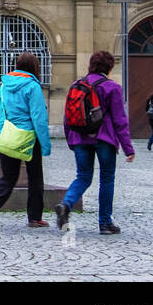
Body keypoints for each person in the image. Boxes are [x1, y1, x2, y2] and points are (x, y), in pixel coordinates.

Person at [56, 50, 135, 234]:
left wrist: (71, 140)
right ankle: (105, 223)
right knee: (107, 179)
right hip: (104, 139)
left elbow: (67, 116)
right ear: (109, 67)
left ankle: (66, 204)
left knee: (83, 176)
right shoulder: (112, 87)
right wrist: (128, 148)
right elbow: (120, 121)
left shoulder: (76, 85)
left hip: (80, 137)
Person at [0, 51, 52, 229]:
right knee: (35, 177)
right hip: (29, 137)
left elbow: (2, 113)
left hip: (9, 134)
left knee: (9, 176)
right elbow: (38, 117)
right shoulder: (33, 86)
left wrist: (0, 135)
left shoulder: (4, 86)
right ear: (35, 67)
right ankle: (35, 218)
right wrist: (45, 144)